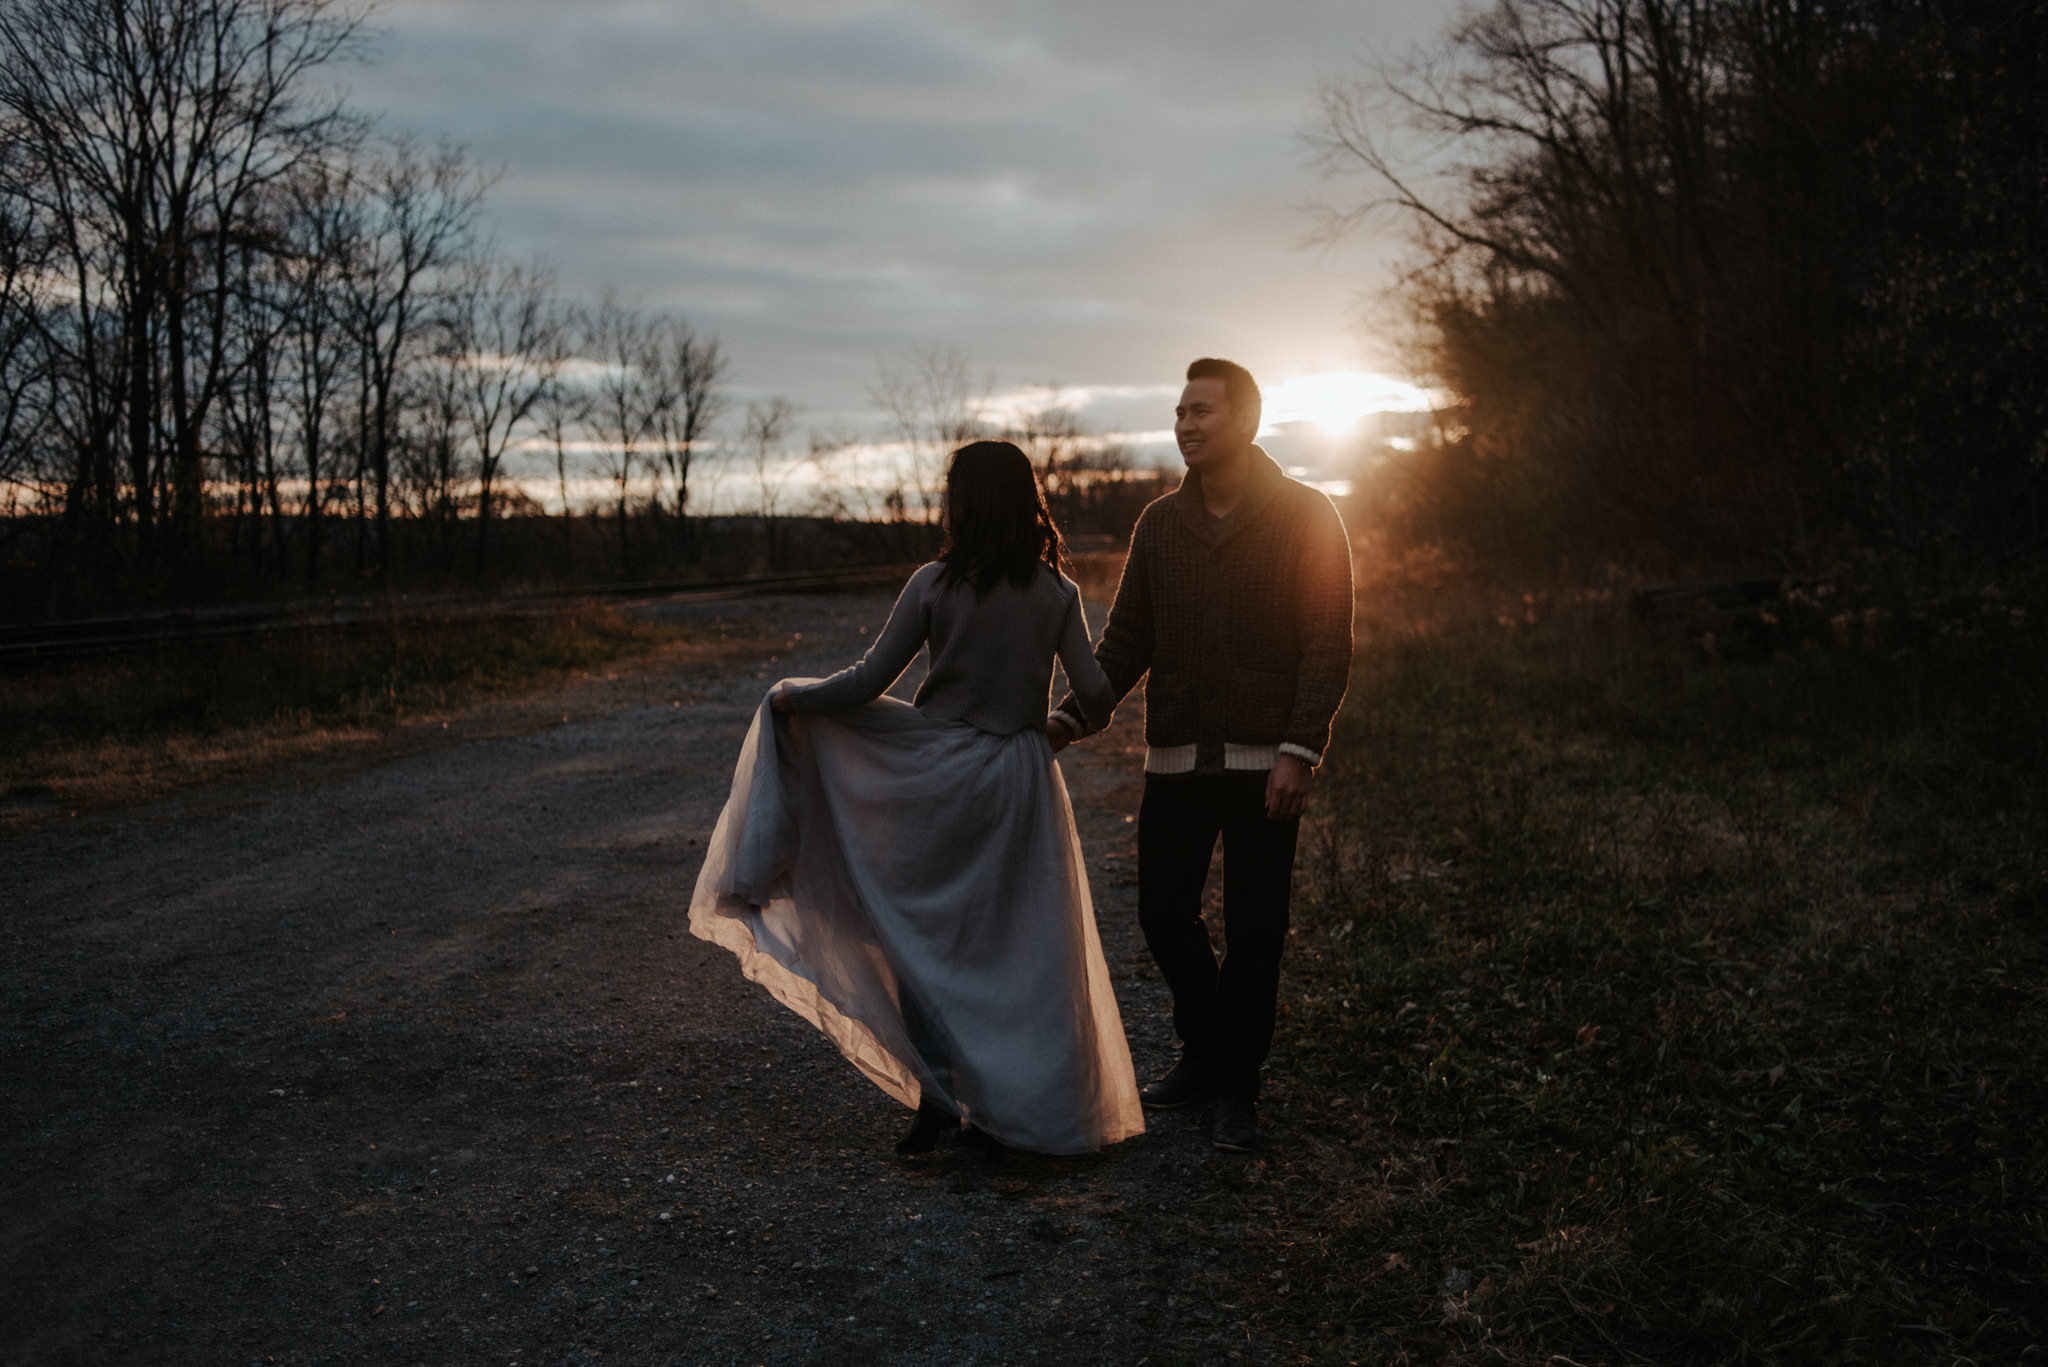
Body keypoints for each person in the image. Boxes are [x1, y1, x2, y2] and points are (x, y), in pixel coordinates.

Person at [688, 440, 1144, 1156]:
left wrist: (793, 697)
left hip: (937, 775)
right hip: (1017, 779)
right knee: (1021, 941)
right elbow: (1096, 696)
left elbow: (870, 681)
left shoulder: (932, 584)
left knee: (925, 938)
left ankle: (937, 1094)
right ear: (1028, 501)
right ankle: (1014, 1113)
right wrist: (1056, 725)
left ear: (962, 503)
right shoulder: (1058, 595)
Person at [1048, 357, 1352, 1153]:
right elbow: (1126, 643)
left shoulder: (1309, 515)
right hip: (1176, 760)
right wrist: (1071, 716)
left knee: (1257, 930)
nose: (1185, 423)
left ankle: (1236, 1084)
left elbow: (1326, 641)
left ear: (1245, 422)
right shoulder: (1158, 525)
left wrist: (1299, 749)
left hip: (1266, 767)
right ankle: (1207, 1046)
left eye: (1202, 411)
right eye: (1179, 411)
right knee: (1161, 913)